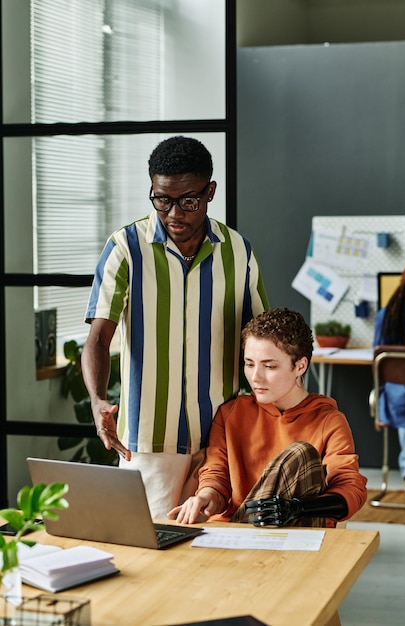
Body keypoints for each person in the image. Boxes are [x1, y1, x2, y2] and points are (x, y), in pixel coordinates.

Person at [81, 136, 269, 518]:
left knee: (221, 547)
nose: (174, 214)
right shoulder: (125, 248)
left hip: (223, 434)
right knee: (150, 549)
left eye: (188, 201)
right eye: (162, 200)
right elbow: (99, 339)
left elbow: (261, 339)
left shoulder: (238, 251)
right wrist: (98, 399)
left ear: (210, 191)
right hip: (150, 443)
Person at [168, 308, 367, 528]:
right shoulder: (231, 413)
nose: (255, 377)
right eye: (249, 364)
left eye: (270, 366)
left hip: (296, 535)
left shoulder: (329, 421)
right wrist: (205, 497)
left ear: (300, 366)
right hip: (237, 529)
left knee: (300, 453)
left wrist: (296, 508)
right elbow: (216, 477)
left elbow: (350, 488)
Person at [373, 257, 405, 494]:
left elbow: (378, 362)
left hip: (399, 401)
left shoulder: (387, 315)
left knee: (404, 394)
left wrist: (380, 403)